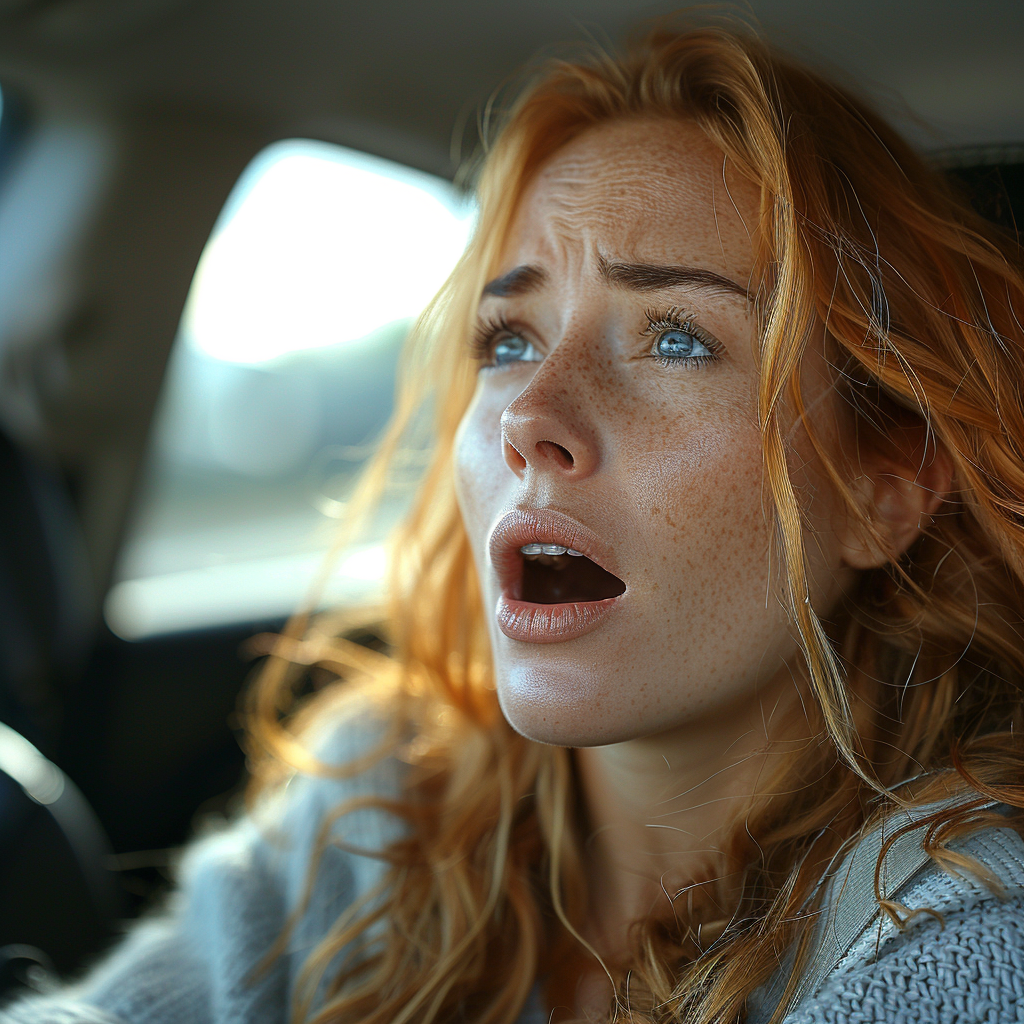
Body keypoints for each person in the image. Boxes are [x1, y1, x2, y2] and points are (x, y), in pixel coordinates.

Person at [6, 15, 1024, 1024]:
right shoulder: (378, 799)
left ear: (881, 492)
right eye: (506, 339)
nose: (531, 414)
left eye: (674, 339)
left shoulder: (962, 922)